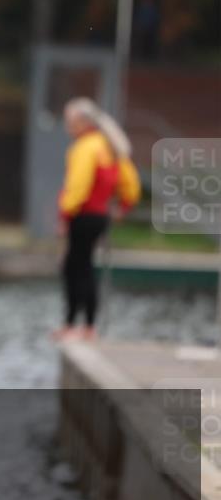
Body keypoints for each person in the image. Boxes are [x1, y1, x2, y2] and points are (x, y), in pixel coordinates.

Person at [53, 97, 140, 342]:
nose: (68, 126)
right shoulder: (111, 146)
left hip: (82, 215)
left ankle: (71, 325)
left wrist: (64, 214)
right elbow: (130, 184)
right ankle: (89, 326)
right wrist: (123, 206)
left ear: (83, 122)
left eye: (70, 121)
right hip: (100, 216)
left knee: (73, 268)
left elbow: (77, 187)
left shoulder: (85, 148)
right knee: (86, 267)